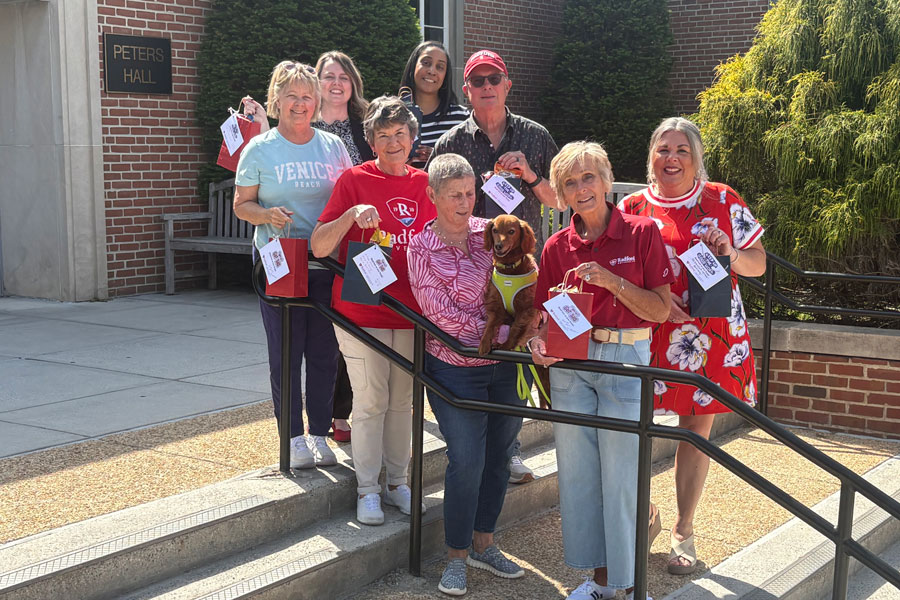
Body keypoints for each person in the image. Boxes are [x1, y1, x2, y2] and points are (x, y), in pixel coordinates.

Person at [618, 117, 767, 575]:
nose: (672, 158)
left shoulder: (723, 199)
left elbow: (759, 265)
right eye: (663, 149)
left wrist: (732, 254)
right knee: (631, 425)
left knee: (694, 431)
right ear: (651, 157)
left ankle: (684, 530)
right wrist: (659, 305)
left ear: (696, 157)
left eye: (682, 149)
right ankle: (644, 515)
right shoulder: (631, 206)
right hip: (649, 327)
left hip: (711, 333)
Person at [529, 141, 673, 600]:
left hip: (626, 361)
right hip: (572, 367)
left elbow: (660, 311)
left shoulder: (643, 231)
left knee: (623, 473)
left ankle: (631, 586)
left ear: (607, 180)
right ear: (561, 192)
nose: (581, 188)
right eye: (569, 182)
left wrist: (611, 281)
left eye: (588, 177)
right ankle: (599, 581)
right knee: (577, 474)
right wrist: (537, 345)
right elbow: (543, 319)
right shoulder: (556, 246)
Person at [430, 48, 560, 484]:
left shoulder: (536, 136)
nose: (486, 87)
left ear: (508, 84)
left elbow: (562, 199)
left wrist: (531, 177)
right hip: (467, 263)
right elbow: (430, 198)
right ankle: (473, 443)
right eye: (477, 81)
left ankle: (509, 449)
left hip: (520, 268)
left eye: (494, 79)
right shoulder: (451, 143)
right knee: (474, 345)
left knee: (517, 348)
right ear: (466, 90)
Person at [408, 153, 531, 597]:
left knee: (500, 457)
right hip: (455, 367)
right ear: (432, 196)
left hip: (505, 366)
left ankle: (485, 543)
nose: (464, 203)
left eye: (469, 193)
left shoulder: (492, 232)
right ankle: (456, 556)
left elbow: (526, 280)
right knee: (467, 460)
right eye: (454, 195)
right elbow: (444, 319)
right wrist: (511, 331)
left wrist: (525, 326)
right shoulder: (420, 247)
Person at [310, 95, 435, 526]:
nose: (393, 142)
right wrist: (348, 216)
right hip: (362, 310)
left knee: (403, 402)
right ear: (371, 141)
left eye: (401, 134)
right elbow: (319, 245)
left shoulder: (425, 184)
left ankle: (398, 483)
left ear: (413, 138)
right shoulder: (353, 180)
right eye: (383, 136)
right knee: (370, 400)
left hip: (411, 312)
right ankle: (367, 490)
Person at [245, 51, 373, 442]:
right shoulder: (259, 149)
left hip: (324, 262)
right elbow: (242, 205)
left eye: (306, 96)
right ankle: (293, 438)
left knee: (324, 353)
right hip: (279, 260)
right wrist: (267, 216)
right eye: (292, 96)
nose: (300, 104)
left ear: (316, 101)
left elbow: (346, 194)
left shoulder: (333, 145)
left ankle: (319, 434)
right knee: (285, 354)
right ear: (277, 100)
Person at [399, 41, 468, 168]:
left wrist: (439, 159)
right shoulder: (393, 115)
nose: (432, 71)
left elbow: (471, 165)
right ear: (413, 66)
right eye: (426, 63)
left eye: (440, 67)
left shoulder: (461, 118)